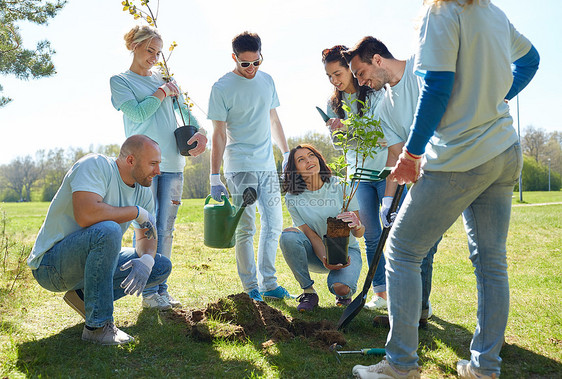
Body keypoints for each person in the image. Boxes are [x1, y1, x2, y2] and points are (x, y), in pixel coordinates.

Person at [350, 1, 539, 378]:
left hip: (461, 154)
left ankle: (400, 365)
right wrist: (499, 98)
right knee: (491, 263)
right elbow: (531, 60)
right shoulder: (493, 13)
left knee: (402, 251)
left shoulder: (441, 13)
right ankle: (485, 367)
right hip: (503, 149)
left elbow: (436, 86)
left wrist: (413, 151)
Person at [27, 135, 173, 345]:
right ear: (131, 160)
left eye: (159, 164)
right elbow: (86, 214)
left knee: (159, 266)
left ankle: (84, 297)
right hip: (51, 266)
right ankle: (97, 327)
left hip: (87, 263)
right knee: (108, 230)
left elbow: (146, 234)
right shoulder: (95, 165)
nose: (158, 171)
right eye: (153, 164)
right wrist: (135, 211)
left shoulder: (143, 191)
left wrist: (147, 260)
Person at [343, 37, 441, 326]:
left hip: (453, 166)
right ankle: (414, 313)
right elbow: (396, 156)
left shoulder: (420, 68)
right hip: (421, 181)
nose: (360, 82)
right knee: (413, 246)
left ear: (376, 59)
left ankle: (411, 314)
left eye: (360, 73)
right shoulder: (385, 107)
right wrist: (388, 199)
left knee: (416, 244)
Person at [110, 25, 207, 310]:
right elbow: (138, 113)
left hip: (174, 163)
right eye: (149, 50)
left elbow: (186, 112)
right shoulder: (120, 80)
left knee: (166, 227)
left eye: (158, 51)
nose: (154, 56)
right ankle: (149, 292)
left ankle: (160, 287)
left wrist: (201, 131)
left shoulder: (165, 78)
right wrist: (162, 91)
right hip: (142, 166)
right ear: (134, 46)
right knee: (146, 225)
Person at [207, 31, 292, 302]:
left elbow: (274, 119)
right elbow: (218, 134)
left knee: (274, 223)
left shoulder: (267, 81)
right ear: (234, 58)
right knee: (246, 227)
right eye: (245, 64)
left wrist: (287, 153)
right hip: (240, 165)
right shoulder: (221, 88)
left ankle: (269, 283)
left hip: (266, 164)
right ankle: (250, 287)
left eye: (257, 62)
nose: (252, 69)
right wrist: (213, 175)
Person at [322, 45, 393, 311]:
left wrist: (349, 129)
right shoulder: (334, 104)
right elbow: (342, 146)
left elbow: (382, 133)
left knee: (395, 236)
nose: (335, 80)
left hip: (386, 172)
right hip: (359, 176)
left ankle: (411, 294)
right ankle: (382, 293)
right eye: (329, 76)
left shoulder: (375, 93)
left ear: (351, 69)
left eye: (338, 73)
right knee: (372, 235)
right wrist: (337, 131)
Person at [280, 144, 363, 311]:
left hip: (347, 251)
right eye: (301, 159)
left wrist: (358, 224)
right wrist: (326, 260)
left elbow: (359, 233)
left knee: (341, 287)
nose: (309, 161)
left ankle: (343, 295)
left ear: (318, 158)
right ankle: (308, 292)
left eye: (311, 155)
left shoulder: (341, 185)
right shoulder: (292, 198)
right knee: (288, 235)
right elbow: (311, 236)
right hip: (316, 253)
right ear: (295, 169)